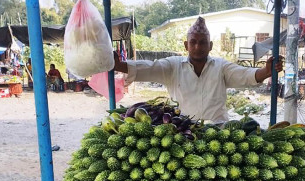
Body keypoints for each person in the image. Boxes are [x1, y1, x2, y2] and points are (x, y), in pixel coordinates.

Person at [113, 17, 283, 122]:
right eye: (193, 42)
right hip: (182, 130)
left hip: (218, 130)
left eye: (203, 42)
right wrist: (119, 65)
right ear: (186, 45)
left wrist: (266, 71)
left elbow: (245, 75)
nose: (197, 46)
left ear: (210, 46)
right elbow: (149, 68)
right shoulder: (173, 66)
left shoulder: (221, 66)